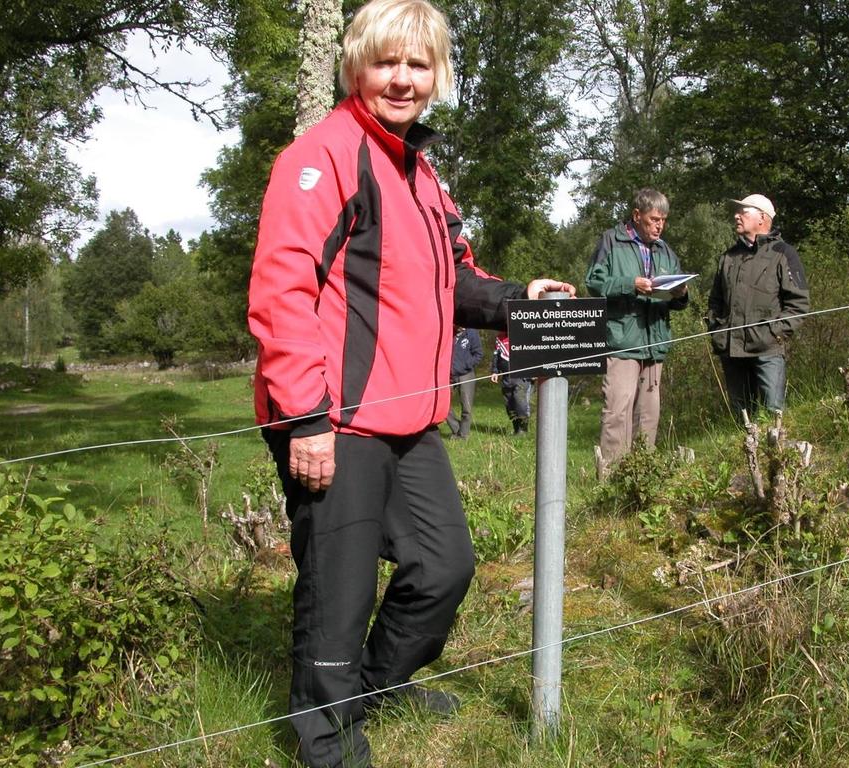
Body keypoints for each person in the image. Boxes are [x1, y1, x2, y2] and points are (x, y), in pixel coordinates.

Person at [246, 1, 575, 765]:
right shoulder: (322, 157)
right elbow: (281, 291)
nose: (402, 78)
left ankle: (376, 686)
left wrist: (518, 300)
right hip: (335, 420)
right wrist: (306, 418)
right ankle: (329, 744)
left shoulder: (421, 172)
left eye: (418, 64)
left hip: (408, 418)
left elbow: (451, 281)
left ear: (437, 76)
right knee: (339, 594)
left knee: (444, 566)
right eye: (387, 61)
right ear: (355, 65)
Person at [585, 188, 690, 479]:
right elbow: (593, 282)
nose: (659, 226)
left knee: (648, 415)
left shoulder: (666, 251)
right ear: (636, 216)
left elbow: (678, 301)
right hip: (622, 341)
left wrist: (681, 293)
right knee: (617, 411)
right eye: (654, 219)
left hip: (655, 342)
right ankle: (612, 480)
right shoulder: (612, 241)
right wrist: (630, 284)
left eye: (664, 220)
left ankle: (642, 478)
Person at [706, 193, 810, 420]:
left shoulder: (784, 254)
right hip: (731, 351)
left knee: (775, 417)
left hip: (768, 350)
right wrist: (717, 331)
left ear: (762, 218)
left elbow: (799, 304)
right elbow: (714, 302)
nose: (736, 216)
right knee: (741, 421)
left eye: (743, 212)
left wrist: (773, 334)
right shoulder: (728, 257)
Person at [489, 331, 532, 435]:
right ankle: (516, 429)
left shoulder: (523, 335)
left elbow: (531, 353)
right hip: (506, 377)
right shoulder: (500, 338)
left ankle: (523, 429)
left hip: (521, 376)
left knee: (519, 401)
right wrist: (494, 371)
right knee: (510, 404)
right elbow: (496, 356)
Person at [445, 325, 482, 438]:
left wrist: (466, 365)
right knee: (443, 406)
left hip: (466, 375)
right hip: (448, 376)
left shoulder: (471, 333)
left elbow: (478, 354)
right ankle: (456, 428)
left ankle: (463, 435)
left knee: (467, 407)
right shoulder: (449, 332)